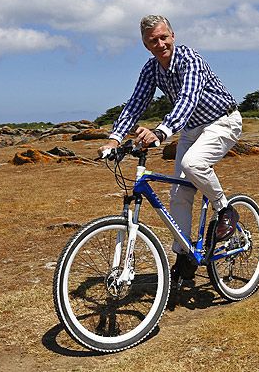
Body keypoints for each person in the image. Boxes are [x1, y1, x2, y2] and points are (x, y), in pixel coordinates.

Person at [98, 15, 242, 284]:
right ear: (146, 45)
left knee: (192, 164)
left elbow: (188, 98)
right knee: (179, 193)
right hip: (191, 128)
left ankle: (225, 210)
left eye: (164, 37)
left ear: (173, 36)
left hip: (223, 120)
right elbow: (135, 104)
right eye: (153, 40)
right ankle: (184, 257)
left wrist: (161, 132)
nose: (160, 43)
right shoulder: (151, 69)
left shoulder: (190, 59)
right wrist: (115, 139)